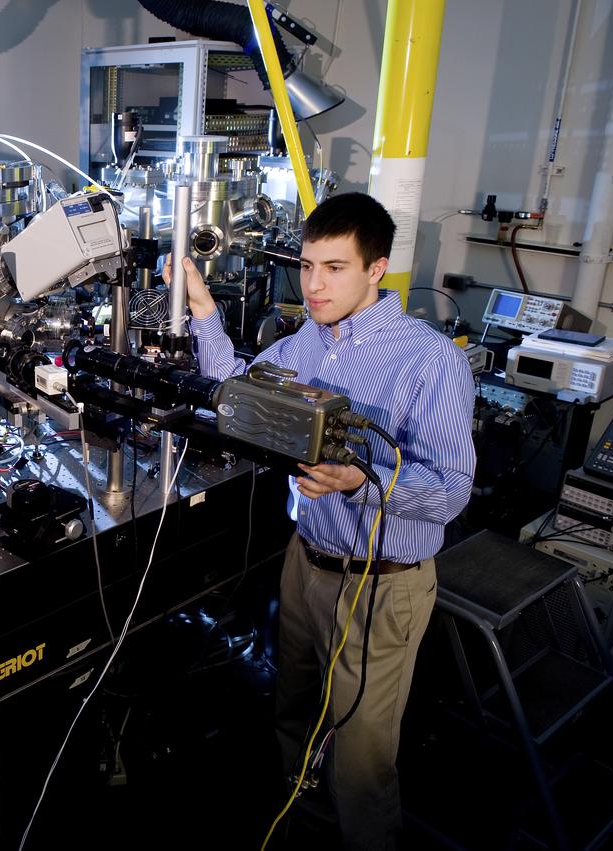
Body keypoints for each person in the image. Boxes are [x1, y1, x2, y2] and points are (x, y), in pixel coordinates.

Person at [166, 193, 476, 849]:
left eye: (334, 267)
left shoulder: (430, 360)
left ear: (377, 269)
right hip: (305, 561)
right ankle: (298, 819)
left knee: (361, 759)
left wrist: (364, 481)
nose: (313, 285)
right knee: (294, 708)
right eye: (307, 265)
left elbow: (451, 491)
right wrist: (200, 306)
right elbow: (239, 396)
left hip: (380, 583)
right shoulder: (310, 341)